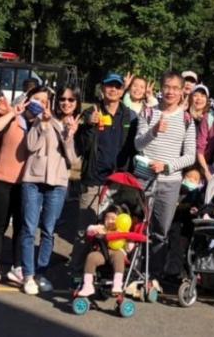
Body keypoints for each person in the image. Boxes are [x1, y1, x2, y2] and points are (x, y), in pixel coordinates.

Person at [135, 70, 198, 280]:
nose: (170, 92)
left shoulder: (188, 119)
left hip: (170, 183)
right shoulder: (148, 113)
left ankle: (153, 276)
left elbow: (190, 156)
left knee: (161, 232)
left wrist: (168, 166)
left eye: (175, 88)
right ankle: (134, 271)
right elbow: (137, 144)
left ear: (182, 92)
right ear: (161, 89)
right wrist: (154, 132)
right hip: (144, 178)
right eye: (167, 87)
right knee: (140, 228)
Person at [72, 73, 136, 273]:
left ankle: (110, 273)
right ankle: (77, 272)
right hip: (93, 180)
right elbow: (79, 148)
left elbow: (136, 147)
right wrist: (89, 125)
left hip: (119, 183)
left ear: (122, 90)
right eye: (109, 86)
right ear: (102, 88)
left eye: (117, 86)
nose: (113, 90)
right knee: (86, 231)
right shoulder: (91, 112)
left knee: (116, 229)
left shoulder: (130, 116)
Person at [20, 85, 77, 295]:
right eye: (62, 99)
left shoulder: (72, 124)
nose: (66, 103)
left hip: (58, 182)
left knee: (48, 229)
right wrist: (42, 126)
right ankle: (27, 274)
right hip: (33, 179)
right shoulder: (38, 120)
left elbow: (72, 160)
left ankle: (41, 272)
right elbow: (31, 147)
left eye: (71, 100)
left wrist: (69, 136)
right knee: (29, 227)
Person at [0, 84, 30, 287]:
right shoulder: (13, 118)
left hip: (27, 183)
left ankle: (17, 267)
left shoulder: (41, 123)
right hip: (3, 179)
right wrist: (12, 113)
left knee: (22, 227)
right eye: (32, 101)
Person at [75, 205, 134, 297]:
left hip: (116, 253)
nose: (110, 221)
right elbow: (90, 229)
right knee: (91, 257)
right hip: (102, 252)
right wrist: (95, 230)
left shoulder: (122, 231)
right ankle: (88, 285)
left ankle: (117, 283)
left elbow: (129, 248)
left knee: (118, 256)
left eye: (113, 219)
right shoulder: (102, 228)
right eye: (107, 218)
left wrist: (129, 242)